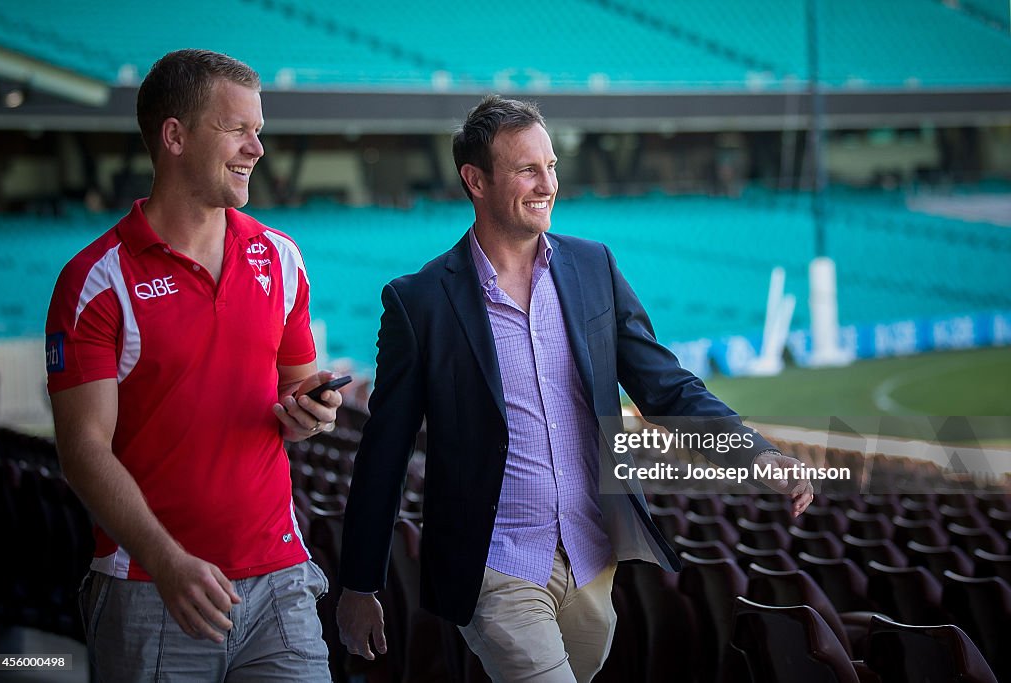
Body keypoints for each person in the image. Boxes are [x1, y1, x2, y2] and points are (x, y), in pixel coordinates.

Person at [336, 94, 814, 682]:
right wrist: (358, 585)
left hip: (592, 559)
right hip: (496, 564)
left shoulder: (594, 268)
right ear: (475, 180)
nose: (548, 184)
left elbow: (664, 386)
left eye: (552, 166)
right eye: (528, 169)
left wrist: (755, 453)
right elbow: (383, 453)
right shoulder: (420, 302)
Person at [45, 49, 339, 681]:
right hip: (152, 588)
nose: (257, 148)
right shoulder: (96, 280)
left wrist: (310, 412)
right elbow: (82, 449)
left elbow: (295, 400)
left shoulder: (282, 258)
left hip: (279, 579)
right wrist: (167, 560)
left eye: (258, 130)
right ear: (174, 136)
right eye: (238, 129)